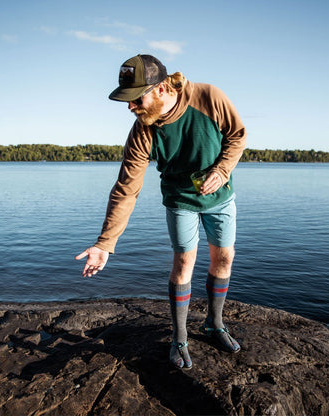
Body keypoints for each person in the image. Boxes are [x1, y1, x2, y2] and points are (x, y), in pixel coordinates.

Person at [76, 54, 246, 370]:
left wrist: (222, 170)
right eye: (127, 101)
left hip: (220, 198)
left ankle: (214, 324)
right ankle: (179, 339)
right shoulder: (143, 131)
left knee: (224, 257)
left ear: (162, 88)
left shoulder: (209, 97)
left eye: (136, 98)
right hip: (180, 201)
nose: (130, 107)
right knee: (184, 261)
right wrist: (105, 243)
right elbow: (126, 188)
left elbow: (237, 135)